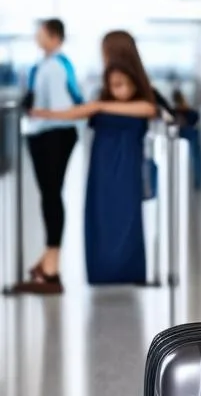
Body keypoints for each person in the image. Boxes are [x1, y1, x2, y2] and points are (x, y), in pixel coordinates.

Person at [34, 52, 159, 285]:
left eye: (122, 85)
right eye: (113, 85)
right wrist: (45, 113)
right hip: (102, 171)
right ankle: (102, 272)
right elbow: (72, 113)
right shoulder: (98, 105)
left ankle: (129, 271)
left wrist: (100, 106)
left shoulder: (138, 104)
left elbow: (149, 110)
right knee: (101, 219)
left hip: (127, 170)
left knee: (128, 220)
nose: (117, 90)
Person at [7, 18, 82, 295]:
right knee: (50, 195)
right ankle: (47, 260)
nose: (36, 37)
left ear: (53, 36)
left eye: (40, 33)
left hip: (53, 135)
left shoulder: (53, 67)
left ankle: (52, 266)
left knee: (51, 195)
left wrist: (38, 112)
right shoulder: (52, 64)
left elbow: (60, 108)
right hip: (51, 134)